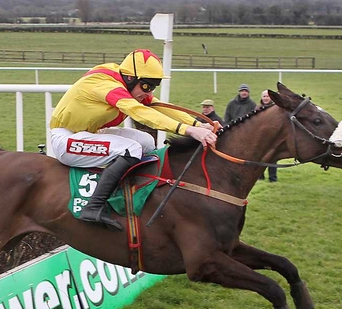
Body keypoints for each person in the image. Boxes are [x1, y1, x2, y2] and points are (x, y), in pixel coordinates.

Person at [49, 49, 217, 231]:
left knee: (146, 142)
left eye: (153, 87)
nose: (149, 92)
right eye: (146, 87)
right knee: (131, 149)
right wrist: (187, 130)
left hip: (89, 133)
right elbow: (140, 112)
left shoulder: (125, 83)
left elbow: (159, 107)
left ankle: (135, 191)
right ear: (130, 78)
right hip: (67, 140)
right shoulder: (107, 85)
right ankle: (93, 207)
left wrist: (197, 124)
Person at [259, 90, 278, 182]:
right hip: (260, 137)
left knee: (272, 158)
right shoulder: (257, 108)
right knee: (259, 157)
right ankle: (260, 176)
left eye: (267, 96)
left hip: (271, 137)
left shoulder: (275, 109)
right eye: (264, 96)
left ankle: (273, 178)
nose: (266, 98)